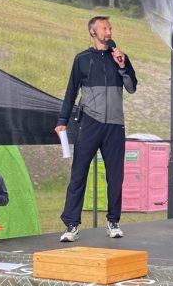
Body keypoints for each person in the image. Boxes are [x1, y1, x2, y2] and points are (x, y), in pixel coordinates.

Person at [55, 16, 137, 242]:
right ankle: (71, 225)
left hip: (115, 125)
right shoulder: (82, 59)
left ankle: (113, 222)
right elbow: (71, 91)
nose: (109, 32)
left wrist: (122, 66)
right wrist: (62, 119)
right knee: (78, 173)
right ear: (93, 32)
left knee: (115, 176)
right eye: (104, 28)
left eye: (110, 28)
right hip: (90, 122)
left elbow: (132, 87)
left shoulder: (120, 57)